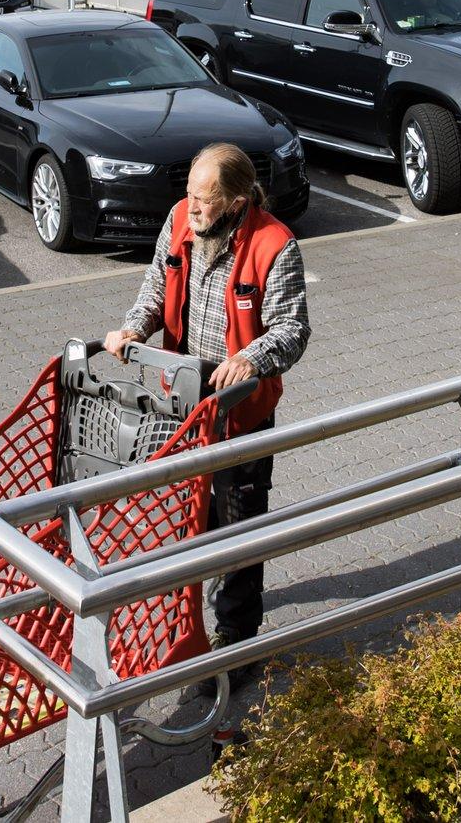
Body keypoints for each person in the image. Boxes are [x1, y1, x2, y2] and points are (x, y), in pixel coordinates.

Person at [104, 142, 310, 657]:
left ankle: (237, 641)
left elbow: (293, 328)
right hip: (185, 407)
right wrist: (134, 328)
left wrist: (253, 358)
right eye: (190, 195)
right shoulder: (179, 222)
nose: (193, 208)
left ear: (238, 202)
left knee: (239, 527)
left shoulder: (274, 246)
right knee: (191, 518)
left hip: (240, 415)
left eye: (206, 199)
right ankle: (188, 616)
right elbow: (156, 285)